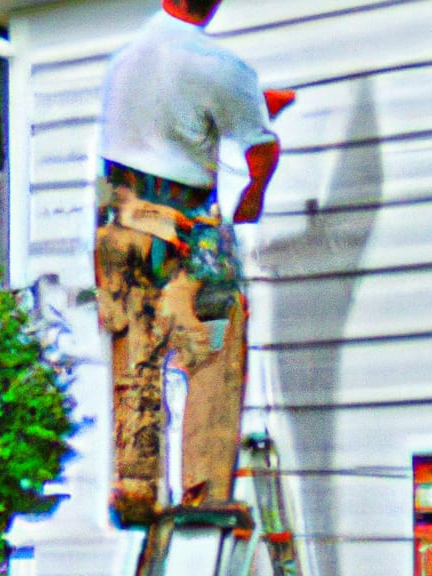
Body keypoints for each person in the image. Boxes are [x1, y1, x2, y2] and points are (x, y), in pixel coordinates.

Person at [95, 0, 291, 525]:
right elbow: (260, 153)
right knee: (214, 345)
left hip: (117, 219)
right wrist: (252, 200)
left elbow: (171, 119)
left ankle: (135, 486)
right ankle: (203, 489)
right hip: (180, 220)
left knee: (134, 347)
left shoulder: (125, 62)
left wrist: (247, 106)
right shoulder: (222, 67)